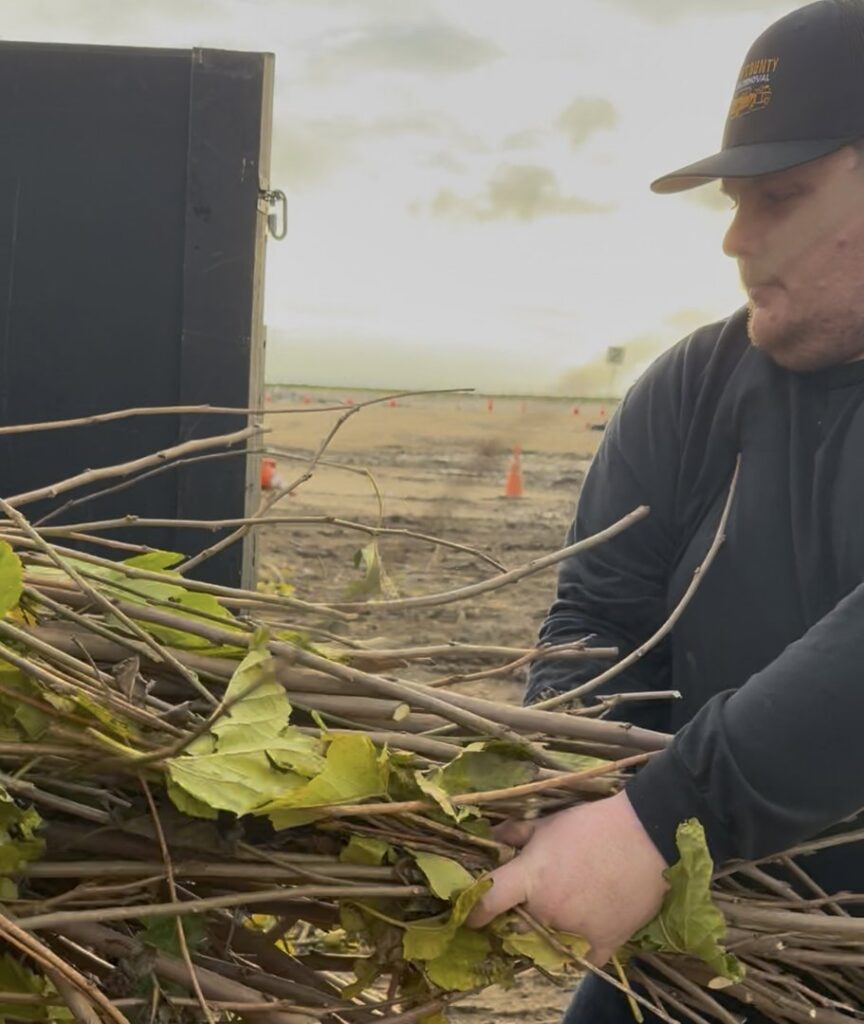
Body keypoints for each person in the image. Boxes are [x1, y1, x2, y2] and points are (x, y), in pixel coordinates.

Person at [465, 2, 864, 1021]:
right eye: (735, 199)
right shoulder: (690, 389)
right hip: (687, 941)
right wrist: (564, 783)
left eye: (781, 195)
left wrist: (658, 817)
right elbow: (599, 618)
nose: (736, 238)